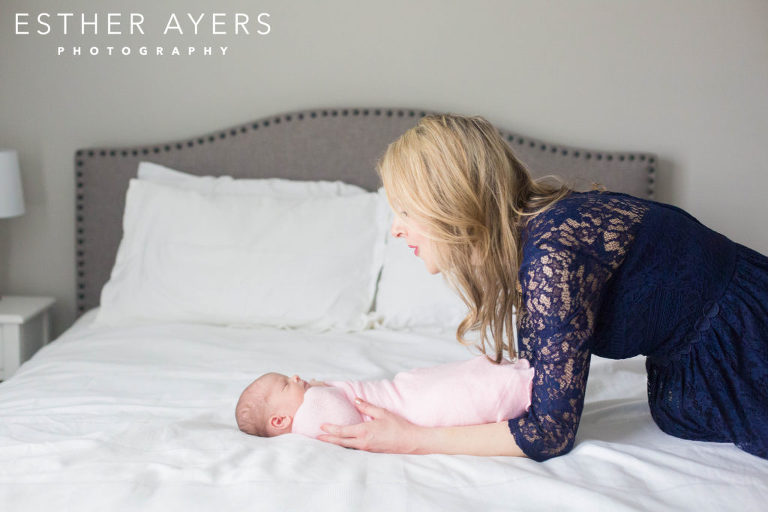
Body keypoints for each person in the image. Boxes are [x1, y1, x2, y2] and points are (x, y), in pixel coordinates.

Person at [317, 113, 768, 461]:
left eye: (406, 211)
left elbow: (550, 432)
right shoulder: (530, 245)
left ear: (451, 203)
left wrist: (413, 440)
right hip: (698, 359)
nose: (396, 230)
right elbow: (528, 389)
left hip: (749, 337)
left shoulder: (552, 253)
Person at [235, 356, 534, 438]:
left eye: (289, 376)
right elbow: (344, 421)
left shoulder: (306, 405)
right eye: (287, 385)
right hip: (409, 409)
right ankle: (519, 387)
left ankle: (512, 375)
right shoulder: (306, 420)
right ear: (279, 420)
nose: (297, 378)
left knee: (454, 379)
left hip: (400, 392)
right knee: (461, 396)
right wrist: (316, 391)